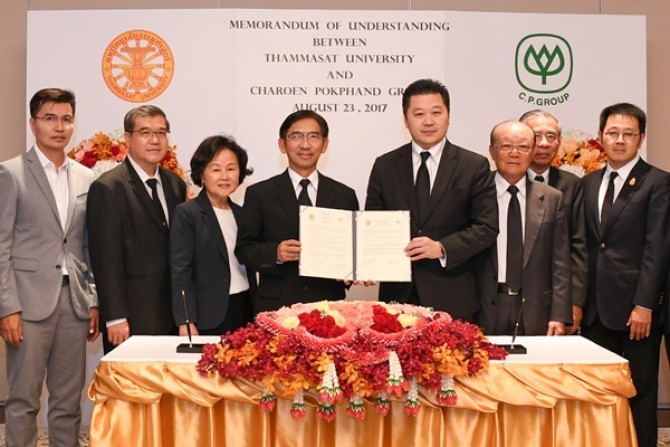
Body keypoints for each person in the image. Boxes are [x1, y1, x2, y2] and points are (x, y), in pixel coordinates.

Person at [0, 88, 99, 446]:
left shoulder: (85, 177)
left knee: (68, 403)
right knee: (23, 400)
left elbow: (88, 245)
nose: (59, 127)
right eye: (50, 118)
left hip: (74, 303)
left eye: (66, 119)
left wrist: (93, 299)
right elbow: (2, 246)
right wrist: (7, 307)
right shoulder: (11, 173)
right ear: (33, 123)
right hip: (27, 304)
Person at [364, 78, 498, 320]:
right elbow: (372, 224)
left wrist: (442, 247)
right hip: (397, 300)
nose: (428, 121)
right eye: (419, 114)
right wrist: (365, 262)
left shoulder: (473, 165)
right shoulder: (385, 165)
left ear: (449, 116)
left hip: (452, 297)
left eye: (436, 112)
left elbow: (486, 227)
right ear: (406, 120)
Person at [581, 103, 670, 447]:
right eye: (613, 133)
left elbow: (656, 247)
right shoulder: (588, 183)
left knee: (639, 393)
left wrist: (645, 304)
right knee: (599, 395)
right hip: (595, 312)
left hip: (636, 314)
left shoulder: (657, 182)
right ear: (600, 136)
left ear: (641, 138)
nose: (620, 140)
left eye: (628, 134)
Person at [236, 110, 359, 312]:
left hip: (329, 307)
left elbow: (353, 252)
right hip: (276, 307)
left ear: (325, 144)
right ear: (282, 144)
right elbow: (244, 249)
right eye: (296, 136)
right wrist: (275, 252)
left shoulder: (344, 195)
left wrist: (351, 272)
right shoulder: (259, 194)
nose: (305, 145)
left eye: (313, 136)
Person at [87, 105, 187, 352]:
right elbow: (105, 258)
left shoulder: (175, 184)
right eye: (145, 132)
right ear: (127, 138)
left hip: (172, 314)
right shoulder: (109, 187)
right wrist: (115, 316)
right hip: (131, 317)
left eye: (161, 132)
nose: (155, 140)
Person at [475, 120, 572, 335]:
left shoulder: (552, 198)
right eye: (506, 146)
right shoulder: (475, 194)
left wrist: (559, 314)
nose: (515, 153)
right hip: (483, 306)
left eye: (523, 147)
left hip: (535, 308)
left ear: (533, 151)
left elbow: (561, 263)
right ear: (492, 151)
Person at [170, 135, 257, 335]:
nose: (224, 176)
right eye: (216, 169)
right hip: (208, 315)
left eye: (231, 169)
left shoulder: (242, 213)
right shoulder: (188, 213)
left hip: (244, 309)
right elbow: (181, 271)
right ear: (202, 174)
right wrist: (185, 319)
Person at [520, 110, 587, 334]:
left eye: (551, 136)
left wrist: (575, 303)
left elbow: (578, 247)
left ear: (559, 142)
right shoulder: (500, 183)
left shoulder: (572, 185)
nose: (544, 143)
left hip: (555, 298)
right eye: (537, 136)